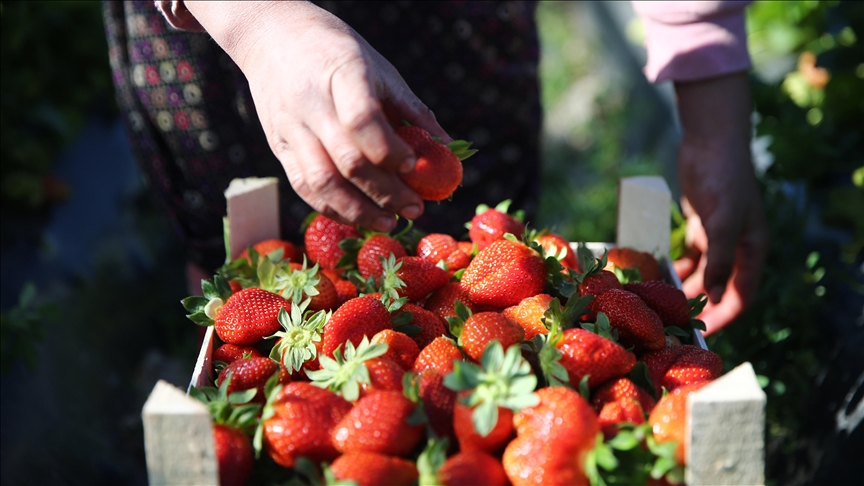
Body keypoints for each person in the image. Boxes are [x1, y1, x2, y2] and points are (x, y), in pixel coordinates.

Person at [102, 0, 768, 335]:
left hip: (455, 24)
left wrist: (712, 111)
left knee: (476, 233)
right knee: (255, 262)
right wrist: (255, 21)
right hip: (225, 35)